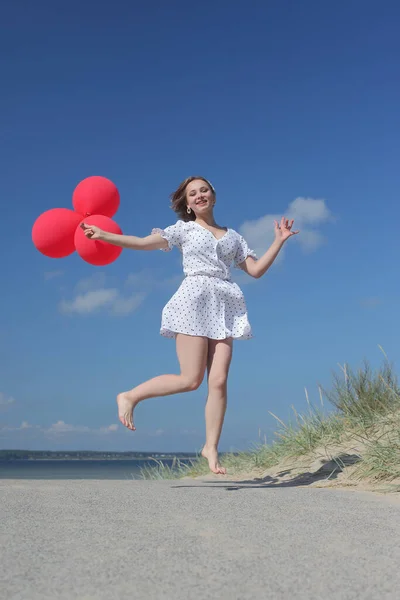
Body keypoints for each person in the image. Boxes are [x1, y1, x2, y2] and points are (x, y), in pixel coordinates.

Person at [81, 176, 299, 474]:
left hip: (224, 304)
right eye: (192, 193)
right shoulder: (182, 230)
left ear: (214, 195)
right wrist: (105, 235)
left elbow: (256, 270)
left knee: (219, 381)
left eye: (204, 190)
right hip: (193, 302)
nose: (199, 196)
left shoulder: (233, 236)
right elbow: (144, 243)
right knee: (191, 380)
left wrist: (278, 241)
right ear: (186, 203)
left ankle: (210, 446)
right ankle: (130, 396)